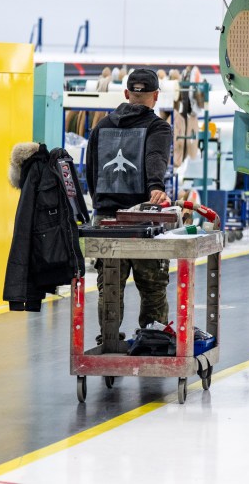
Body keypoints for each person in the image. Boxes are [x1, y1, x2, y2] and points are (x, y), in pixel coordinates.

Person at [86, 68, 174, 342]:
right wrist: (156, 187)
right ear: (155, 96)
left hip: (106, 220)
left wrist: (102, 205)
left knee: (109, 286)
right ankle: (153, 338)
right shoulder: (158, 127)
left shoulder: (102, 126)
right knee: (152, 286)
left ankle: (108, 339)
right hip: (142, 220)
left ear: (126, 94)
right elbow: (155, 156)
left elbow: (91, 170)